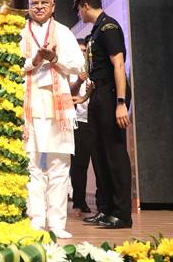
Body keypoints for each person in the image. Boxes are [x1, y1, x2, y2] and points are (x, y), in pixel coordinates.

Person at [21, 0, 84, 239]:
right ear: (28, 6)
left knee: (59, 165)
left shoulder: (64, 32)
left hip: (59, 107)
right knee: (33, 165)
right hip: (31, 106)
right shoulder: (19, 33)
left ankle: (57, 222)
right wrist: (35, 61)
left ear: (53, 5)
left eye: (44, 2)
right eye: (34, 3)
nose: (39, 6)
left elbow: (79, 65)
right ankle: (36, 219)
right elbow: (13, 65)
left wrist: (55, 58)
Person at [73, 0, 132, 229]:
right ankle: (105, 209)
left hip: (110, 97)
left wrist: (120, 103)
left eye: (78, 9)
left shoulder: (109, 27)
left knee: (114, 154)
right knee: (98, 155)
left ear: (85, 6)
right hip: (98, 95)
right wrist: (84, 97)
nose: (79, 14)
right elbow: (96, 75)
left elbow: (118, 66)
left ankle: (122, 213)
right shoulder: (95, 31)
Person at [69, 38, 106, 217]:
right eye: (79, 50)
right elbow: (68, 95)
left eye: (84, 50)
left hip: (97, 121)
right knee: (79, 165)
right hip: (79, 122)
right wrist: (78, 80)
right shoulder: (69, 70)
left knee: (100, 163)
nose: (82, 53)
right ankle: (79, 202)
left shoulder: (97, 69)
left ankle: (102, 203)